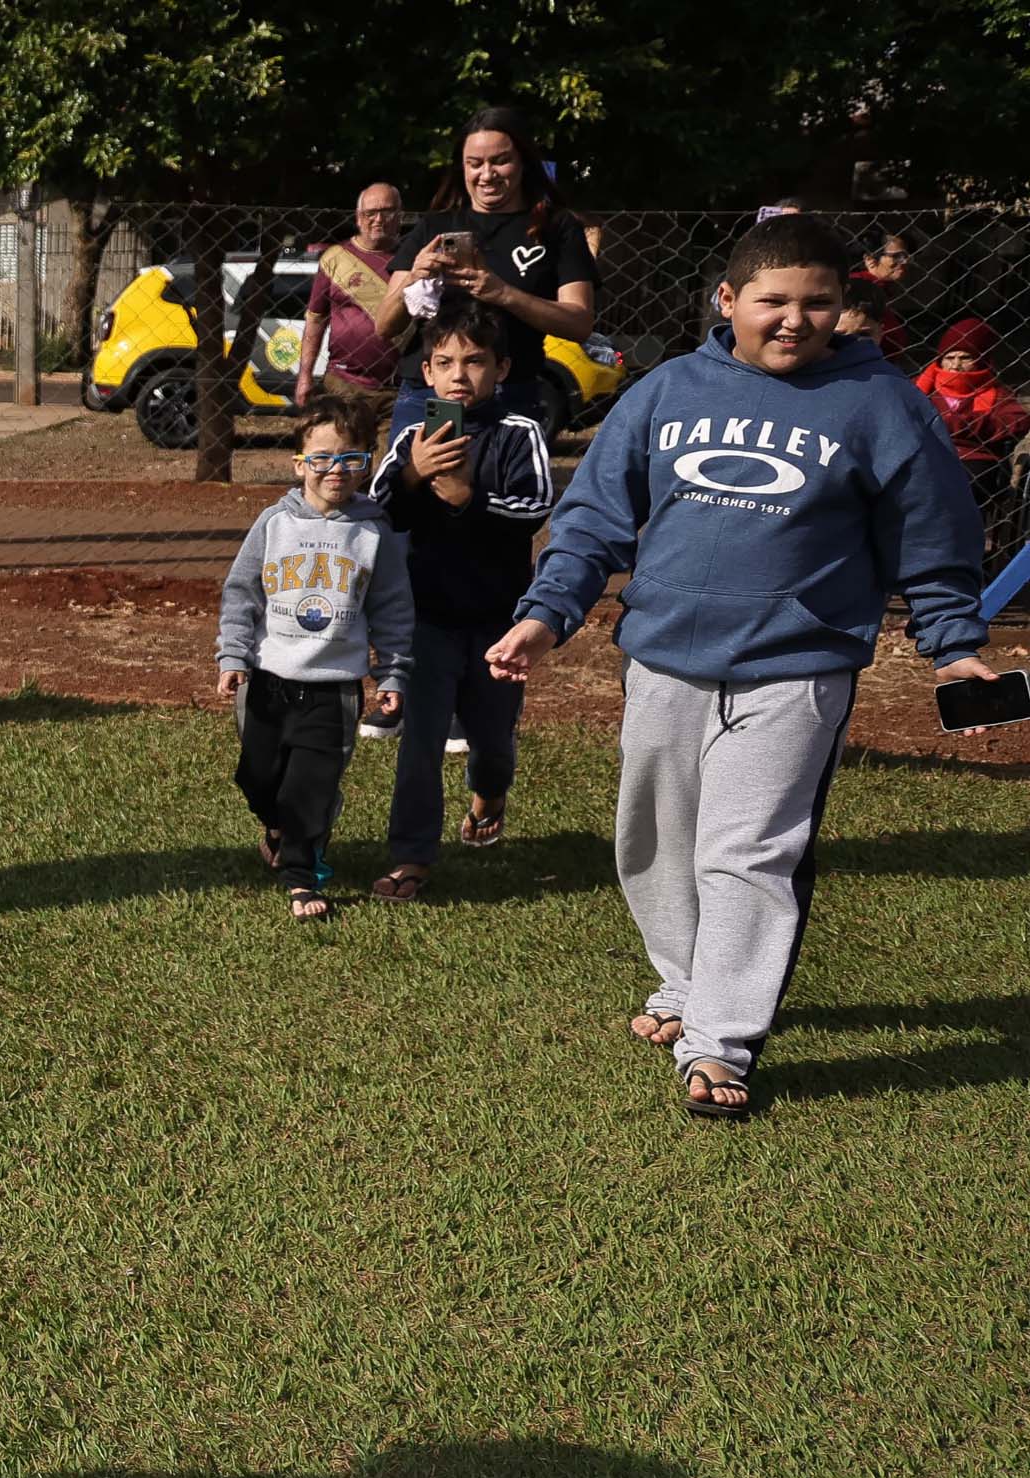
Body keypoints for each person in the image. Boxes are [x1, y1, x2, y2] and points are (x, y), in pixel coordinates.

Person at [488, 214, 998, 1119]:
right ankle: (684, 984)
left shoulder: (882, 405)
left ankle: (720, 1041)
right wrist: (544, 616)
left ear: (844, 309)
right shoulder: (669, 389)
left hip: (798, 668)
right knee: (653, 842)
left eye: (819, 304)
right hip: (665, 660)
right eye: (773, 301)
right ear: (729, 301)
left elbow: (934, 538)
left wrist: (955, 648)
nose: (796, 320)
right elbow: (596, 520)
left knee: (749, 852)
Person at [365, 295, 555, 903]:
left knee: (492, 741)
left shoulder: (519, 432)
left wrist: (467, 497)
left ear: (501, 369)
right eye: (444, 362)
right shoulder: (414, 436)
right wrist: (416, 474)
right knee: (419, 741)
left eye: (474, 362)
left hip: (499, 622)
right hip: (425, 619)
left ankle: (490, 792)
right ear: (427, 373)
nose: (458, 374)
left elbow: (534, 510)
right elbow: (379, 510)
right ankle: (412, 858)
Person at [214, 395, 413, 922]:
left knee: (311, 785)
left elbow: (393, 609)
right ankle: (277, 827)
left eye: (351, 458)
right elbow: (241, 592)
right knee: (257, 777)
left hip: (334, 687)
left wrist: (393, 673)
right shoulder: (273, 524)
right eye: (322, 458)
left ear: (367, 462)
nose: (336, 470)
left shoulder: (374, 533)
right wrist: (233, 654)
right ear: (298, 463)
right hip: (267, 680)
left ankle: (301, 875)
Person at [372, 107, 597, 433]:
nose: (487, 174)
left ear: (523, 162)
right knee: (415, 482)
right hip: (429, 395)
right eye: (474, 164)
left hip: (512, 392)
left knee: (503, 485)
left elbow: (579, 323)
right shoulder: (434, 226)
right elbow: (383, 326)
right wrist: (414, 276)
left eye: (500, 161)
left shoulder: (557, 228)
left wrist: (504, 294)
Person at [916, 314, 1029, 556]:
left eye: (965, 357)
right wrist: (970, 425)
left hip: (974, 460)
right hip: (926, 452)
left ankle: (953, 549)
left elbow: (1016, 420)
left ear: (981, 360)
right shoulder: (920, 387)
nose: (955, 365)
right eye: (949, 358)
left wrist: (951, 424)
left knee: (967, 481)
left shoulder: (995, 392)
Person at [294, 183, 408, 403]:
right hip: (344, 383)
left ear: (399, 216)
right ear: (358, 217)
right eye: (370, 213)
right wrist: (304, 376)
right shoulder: (335, 258)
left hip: (399, 388)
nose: (378, 219)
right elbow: (315, 321)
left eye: (387, 212)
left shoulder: (413, 259)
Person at [853, 232, 915, 362]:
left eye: (907, 255)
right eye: (897, 256)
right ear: (870, 260)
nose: (905, 261)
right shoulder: (858, 289)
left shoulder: (881, 289)